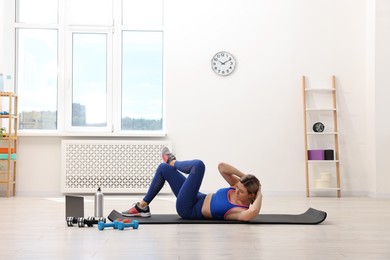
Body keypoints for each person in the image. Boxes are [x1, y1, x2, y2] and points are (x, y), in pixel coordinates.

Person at [122, 147, 262, 221]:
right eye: (237, 187)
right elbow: (221, 167)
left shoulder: (240, 211)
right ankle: (142, 207)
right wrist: (245, 177)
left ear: (251, 195)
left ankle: (172, 161)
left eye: (241, 191)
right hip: (197, 196)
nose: (236, 190)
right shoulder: (238, 187)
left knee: (198, 166)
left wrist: (260, 190)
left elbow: (253, 212)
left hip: (189, 208)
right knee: (163, 169)